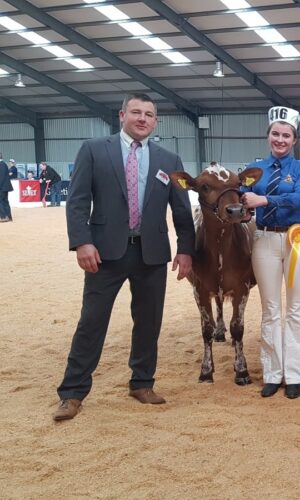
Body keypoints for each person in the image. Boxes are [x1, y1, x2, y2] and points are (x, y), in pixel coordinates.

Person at [53, 93, 195, 422]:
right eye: (136, 112)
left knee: (148, 322)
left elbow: (182, 211)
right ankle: (72, 392)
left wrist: (186, 249)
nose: (142, 118)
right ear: (122, 115)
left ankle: (142, 382)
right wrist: (82, 242)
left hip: (152, 254)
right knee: (91, 322)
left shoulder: (169, 159)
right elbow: (77, 202)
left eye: (148, 114)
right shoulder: (93, 150)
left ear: (155, 121)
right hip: (104, 253)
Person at [241, 106, 300, 400]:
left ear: (294, 140)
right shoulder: (254, 169)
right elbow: (243, 199)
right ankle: (272, 374)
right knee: (270, 309)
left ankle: (294, 375)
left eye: (286, 135)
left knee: (296, 309)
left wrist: (263, 199)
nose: (280, 140)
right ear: (268, 135)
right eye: (276, 134)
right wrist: (247, 207)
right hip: (265, 240)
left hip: (297, 239)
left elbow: (299, 198)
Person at [0, 156, 12, 222]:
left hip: (2, 187)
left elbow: (1, 177)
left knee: (1, 201)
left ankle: (4, 216)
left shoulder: (1, 164)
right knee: (5, 202)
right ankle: (9, 217)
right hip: (5, 187)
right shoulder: (3, 164)